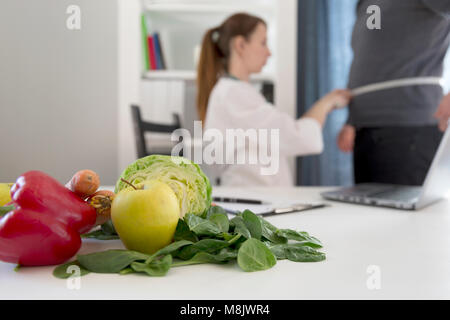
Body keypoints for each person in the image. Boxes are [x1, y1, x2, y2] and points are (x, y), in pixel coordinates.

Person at [196, 13, 352, 187]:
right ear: (240, 45)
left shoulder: (235, 92)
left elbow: (289, 132)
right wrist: (326, 104)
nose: (269, 52)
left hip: (257, 195)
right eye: (263, 43)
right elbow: (296, 136)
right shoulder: (234, 95)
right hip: (252, 196)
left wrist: (325, 103)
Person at [338, 0, 450, 186]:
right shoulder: (364, 4)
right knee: (368, 212)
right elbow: (366, 59)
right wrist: (352, 119)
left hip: (409, 128)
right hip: (364, 131)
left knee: (404, 213)